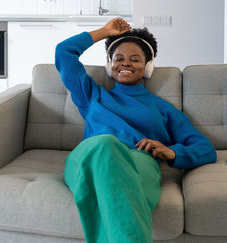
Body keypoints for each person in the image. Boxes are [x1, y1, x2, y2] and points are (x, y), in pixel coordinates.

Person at [55, 18, 217, 243]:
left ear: (148, 66)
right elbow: (64, 52)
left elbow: (205, 148)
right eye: (118, 58)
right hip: (91, 156)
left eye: (135, 59)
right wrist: (105, 31)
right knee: (106, 144)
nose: (125, 64)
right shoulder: (92, 95)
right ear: (109, 65)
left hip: (139, 161)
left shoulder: (162, 109)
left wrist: (171, 152)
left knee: (115, 173)